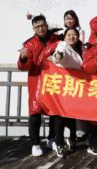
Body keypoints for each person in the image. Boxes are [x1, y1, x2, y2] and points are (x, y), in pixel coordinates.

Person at [17, 15, 60, 157]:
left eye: (42, 25)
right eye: (37, 27)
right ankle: (35, 143)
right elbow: (24, 66)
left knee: (55, 111)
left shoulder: (56, 40)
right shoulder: (29, 44)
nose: (41, 28)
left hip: (53, 82)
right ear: (33, 28)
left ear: (46, 25)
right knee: (35, 113)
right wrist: (23, 58)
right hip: (36, 82)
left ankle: (51, 138)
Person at [40, 27, 83, 158]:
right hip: (62, 87)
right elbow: (59, 55)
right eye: (69, 35)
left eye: (74, 35)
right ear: (64, 37)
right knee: (59, 116)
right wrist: (58, 56)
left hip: (73, 87)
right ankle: (59, 143)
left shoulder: (79, 48)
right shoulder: (62, 46)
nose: (71, 37)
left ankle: (72, 137)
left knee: (70, 115)